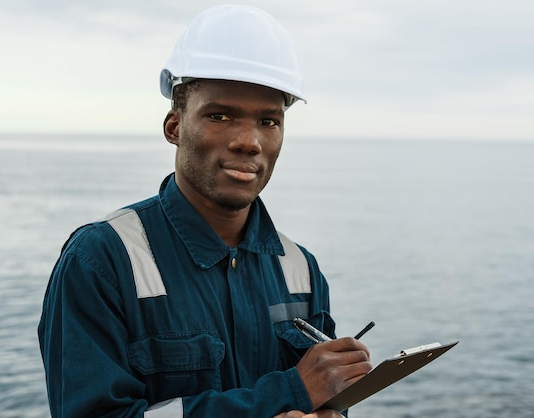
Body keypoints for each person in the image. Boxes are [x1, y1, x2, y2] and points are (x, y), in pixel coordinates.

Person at [38, 5, 372, 418]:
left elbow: (326, 403)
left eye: (269, 121)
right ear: (174, 126)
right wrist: (288, 391)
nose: (249, 141)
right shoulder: (102, 260)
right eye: (220, 115)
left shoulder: (300, 270)